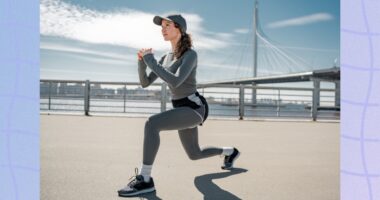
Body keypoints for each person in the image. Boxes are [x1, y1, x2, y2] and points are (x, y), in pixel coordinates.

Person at [118, 14, 240, 197]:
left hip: (194, 108)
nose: (163, 28)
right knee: (194, 154)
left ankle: (145, 179)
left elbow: (175, 81)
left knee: (152, 124)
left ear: (179, 29)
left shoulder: (190, 55)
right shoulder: (165, 57)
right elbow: (145, 83)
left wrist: (150, 60)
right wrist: (141, 63)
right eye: (162, 26)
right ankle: (230, 151)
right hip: (180, 109)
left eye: (167, 25)